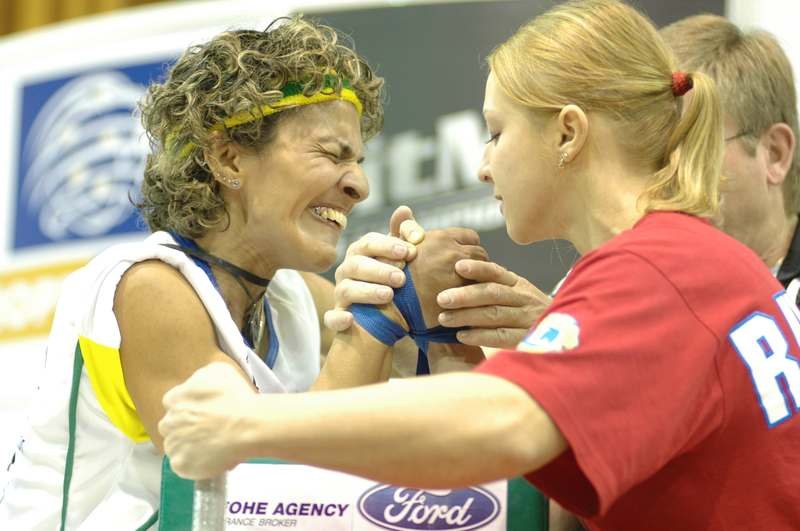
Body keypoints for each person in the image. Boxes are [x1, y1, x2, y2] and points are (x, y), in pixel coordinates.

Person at [158, 1, 800, 530]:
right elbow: (530, 495)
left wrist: (244, 423)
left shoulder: (657, 271)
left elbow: (505, 424)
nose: (483, 165)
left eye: (495, 131)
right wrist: (430, 336)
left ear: (569, 134)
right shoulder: (685, 262)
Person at [0, 17, 485, 530]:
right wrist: (377, 316)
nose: (360, 185)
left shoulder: (295, 296)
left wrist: (434, 310)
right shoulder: (148, 287)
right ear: (228, 158)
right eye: (331, 153)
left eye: (360, 160)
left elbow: (455, 408)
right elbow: (255, 497)